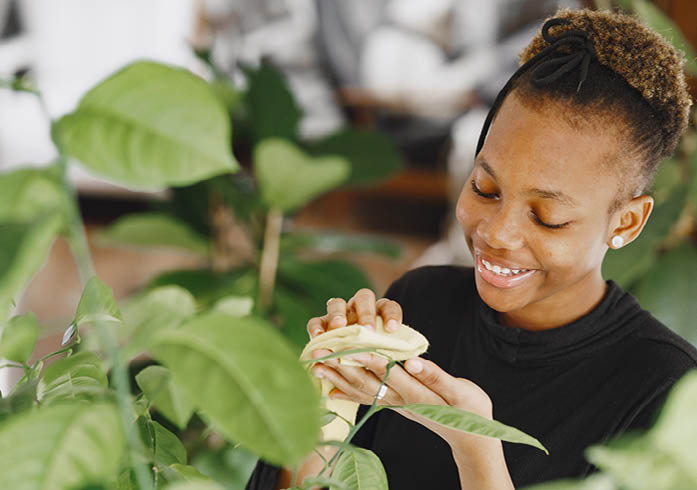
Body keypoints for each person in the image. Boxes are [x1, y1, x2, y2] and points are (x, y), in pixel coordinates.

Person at [246, 7, 697, 489]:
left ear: (626, 223)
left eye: (548, 217)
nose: (498, 233)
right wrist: (326, 395)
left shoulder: (667, 392)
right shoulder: (421, 303)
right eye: (484, 188)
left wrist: (473, 444)